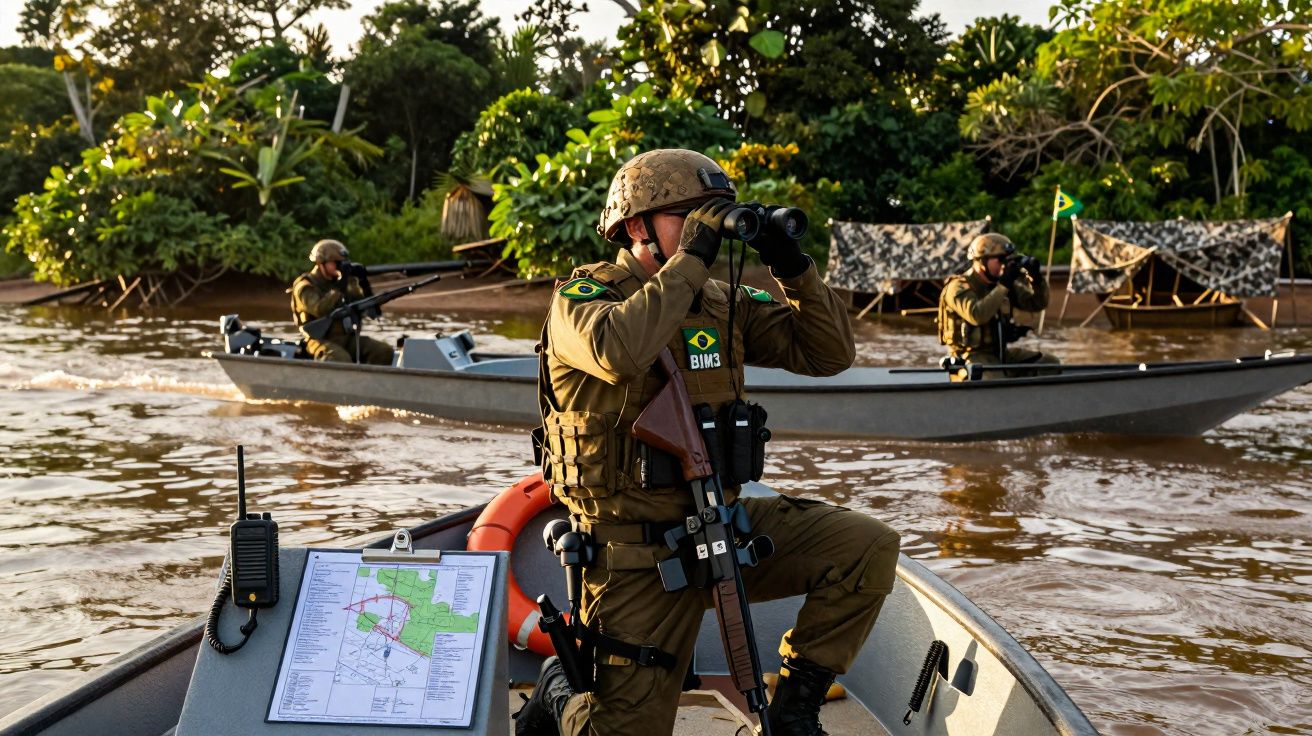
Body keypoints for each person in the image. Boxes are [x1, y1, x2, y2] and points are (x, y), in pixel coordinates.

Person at [515, 149, 901, 736]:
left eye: (714, 214)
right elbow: (620, 350)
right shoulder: (583, 299)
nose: (707, 228)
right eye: (688, 215)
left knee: (863, 546)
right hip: (634, 559)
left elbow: (830, 354)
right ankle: (560, 691)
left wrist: (790, 264)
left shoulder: (723, 304)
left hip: (721, 529)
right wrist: (693, 256)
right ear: (637, 226)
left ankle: (796, 712)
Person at [937, 233, 1060, 379]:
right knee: (993, 378)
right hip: (968, 357)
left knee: (1049, 364)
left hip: (998, 353)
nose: (1004, 264)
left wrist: (1036, 279)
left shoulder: (1002, 284)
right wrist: (1004, 284)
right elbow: (977, 315)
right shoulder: (958, 287)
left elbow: (1037, 304)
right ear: (982, 262)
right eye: (1001, 259)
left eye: (1007, 259)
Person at [288, 239, 394, 365]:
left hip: (346, 338)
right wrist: (339, 286)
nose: (340, 266)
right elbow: (320, 309)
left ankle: (368, 382)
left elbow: (368, 309)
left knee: (383, 351)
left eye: (342, 263)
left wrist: (363, 282)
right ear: (321, 263)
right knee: (340, 359)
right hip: (319, 340)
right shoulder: (305, 286)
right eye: (336, 263)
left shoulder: (343, 282)